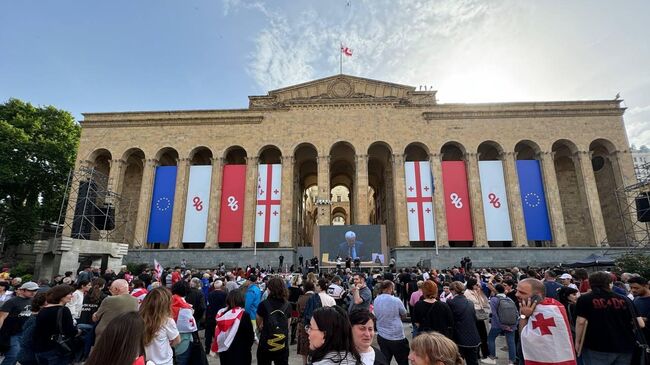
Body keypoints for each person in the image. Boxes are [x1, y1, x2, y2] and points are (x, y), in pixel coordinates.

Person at [575, 271, 643, 364]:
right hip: (625, 346)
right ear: (609, 284)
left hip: (597, 346)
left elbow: (581, 322)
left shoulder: (585, 299)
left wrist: (577, 342)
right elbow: (640, 324)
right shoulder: (625, 299)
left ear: (591, 284)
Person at [517, 278, 576, 365]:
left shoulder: (550, 312)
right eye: (517, 290)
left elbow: (525, 337)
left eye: (522, 292)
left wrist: (523, 316)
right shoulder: (527, 306)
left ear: (537, 296)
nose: (516, 294)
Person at [33, 284, 79, 364]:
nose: (72, 296)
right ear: (61, 295)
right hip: (56, 349)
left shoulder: (43, 310)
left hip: (40, 348)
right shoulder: (64, 310)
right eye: (70, 294)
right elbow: (69, 331)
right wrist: (78, 331)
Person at [210, 289, 255, 365]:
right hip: (241, 351)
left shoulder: (222, 314)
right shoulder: (244, 315)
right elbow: (250, 335)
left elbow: (215, 331)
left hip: (225, 350)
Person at [256, 276, 292, 365]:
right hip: (282, 343)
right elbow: (288, 324)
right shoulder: (288, 305)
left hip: (266, 342)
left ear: (269, 289)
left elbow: (259, 322)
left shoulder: (263, 304)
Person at [0, 281, 38, 365]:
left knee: (18, 356)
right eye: (30, 290)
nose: (33, 292)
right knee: (13, 355)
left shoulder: (34, 301)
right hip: (12, 333)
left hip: (26, 333)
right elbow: (1, 317)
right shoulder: (12, 301)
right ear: (22, 290)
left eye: (35, 290)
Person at [141, 287, 180, 365]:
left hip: (145, 360)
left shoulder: (139, 318)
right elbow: (177, 340)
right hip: (164, 361)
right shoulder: (167, 321)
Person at [373, 280, 409, 365]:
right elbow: (404, 314)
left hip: (382, 335)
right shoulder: (396, 300)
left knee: (385, 360)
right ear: (390, 288)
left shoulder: (376, 299)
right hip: (396, 336)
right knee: (402, 360)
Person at [93, 279, 138, 343]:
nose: (110, 290)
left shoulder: (109, 300)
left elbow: (95, 318)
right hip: (125, 336)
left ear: (116, 289)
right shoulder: (135, 300)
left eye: (111, 289)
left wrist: (94, 314)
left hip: (106, 336)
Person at [446, 281, 480, 365]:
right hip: (473, 336)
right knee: (472, 361)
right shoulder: (470, 303)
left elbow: (449, 320)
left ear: (453, 290)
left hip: (459, 336)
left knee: (457, 361)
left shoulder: (450, 302)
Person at [482, 284, 516, 365]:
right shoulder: (509, 299)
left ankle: (492, 358)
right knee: (511, 342)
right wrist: (513, 325)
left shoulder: (494, 299)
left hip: (497, 325)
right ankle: (512, 361)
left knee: (491, 339)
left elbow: (494, 314)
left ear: (496, 290)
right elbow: (516, 313)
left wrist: (502, 325)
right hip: (511, 324)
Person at [78, 277, 107, 360]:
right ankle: (85, 356)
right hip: (94, 322)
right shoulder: (104, 297)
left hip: (82, 319)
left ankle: (79, 356)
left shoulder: (85, 294)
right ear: (103, 286)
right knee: (89, 340)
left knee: (81, 339)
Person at [17, 292, 46, 365]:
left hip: (29, 356)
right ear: (43, 305)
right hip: (30, 357)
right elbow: (25, 340)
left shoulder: (36, 317)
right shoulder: (36, 319)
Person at [464, 277, 489, 359]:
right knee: (478, 335)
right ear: (472, 285)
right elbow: (472, 303)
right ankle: (477, 353)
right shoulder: (467, 293)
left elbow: (483, 302)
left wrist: (479, 293)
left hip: (480, 313)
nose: (477, 286)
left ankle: (485, 353)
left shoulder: (476, 291)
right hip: (474, 315)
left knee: (483, 335)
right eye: (476, 285)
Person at [205, 280, 227, 353]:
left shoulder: (210, 294)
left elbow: (208, 304)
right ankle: (220, 348)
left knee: (209, 333)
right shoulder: (224, 294)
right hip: (220, 315)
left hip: (210, 315)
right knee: (219, 333)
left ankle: (207, 348)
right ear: (221, 286)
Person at [297, 280, 316, 364]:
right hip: (314, 324)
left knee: (304, 345)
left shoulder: (301, 298)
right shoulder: (316, 297)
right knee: (315, 344)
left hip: (302, 323)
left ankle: (304, 363)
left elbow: (298, 312)